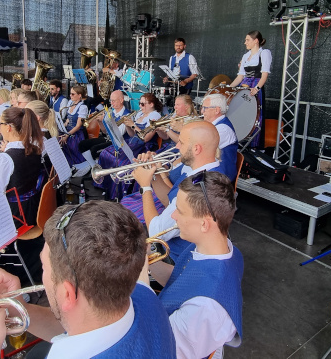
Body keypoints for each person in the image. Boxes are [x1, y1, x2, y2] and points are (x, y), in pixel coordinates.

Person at [0, 201, 177, 359]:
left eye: (44, 267)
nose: (43, 275)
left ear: (68, 293)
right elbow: (74, 323)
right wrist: (19, 308)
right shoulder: (143, 294)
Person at [143, 171, 244, 358]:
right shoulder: (221, 249)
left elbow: (159, 349)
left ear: (204, 224)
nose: (173, 216)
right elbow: (182, 281)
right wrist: (148, 260)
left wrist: (141, 283)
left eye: (180, 211)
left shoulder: (204, 309)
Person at [132, 122, 224, 260]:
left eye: (181, 142)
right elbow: (168, 200)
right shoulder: (202, 170)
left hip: (177, 257)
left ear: (196, 148)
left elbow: (156, 232)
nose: (177, 146)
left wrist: (145, 187)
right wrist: (153, 173)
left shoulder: (199, 186)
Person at [0, 107, 45, 219]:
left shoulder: (4, 158)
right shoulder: (35, 148)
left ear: (8, 127)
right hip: (33, 208)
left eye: (0, 124)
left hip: (15, 214)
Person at [96, 93, 162, 200]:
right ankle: (109, 188)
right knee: (106, 153)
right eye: (139, 103)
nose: (140, 106)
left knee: (121, 162)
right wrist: (127, 125)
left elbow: (146, 138)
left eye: (142, 104)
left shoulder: (155, 116)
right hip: (133, 142)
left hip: (144, 146)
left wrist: (133, 125)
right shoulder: (140, 114)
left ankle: (121, 193)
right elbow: (132, 134)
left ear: (151, 104)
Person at [228, 30, 271, 148]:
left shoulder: (264, 53)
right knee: (240, 113)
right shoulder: (245, 56)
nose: (245, 42)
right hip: (244, 86)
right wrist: (229, 88)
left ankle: (254, 146)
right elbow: (240, 76)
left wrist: (256, 88)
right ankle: (239, 141)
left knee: (255, 115)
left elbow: (264, 75)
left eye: (247, 40)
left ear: (256, 41)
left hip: (255, 86)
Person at [77, 90, 129, 173]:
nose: (111, 103)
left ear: (121, 100)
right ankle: (94, 167)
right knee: (82, 144)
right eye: (110, 101)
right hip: (108, 139)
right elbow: (105, 132)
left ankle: (97, 169)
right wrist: (100, 122)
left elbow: (118, 134)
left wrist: (105, 121)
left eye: (113, 101)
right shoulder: (111, 112)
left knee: (94, 150)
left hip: (118, 142)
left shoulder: (126, 114)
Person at [200, 93, 239, 179]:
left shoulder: (222, 129)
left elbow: (199, 148)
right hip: (212, 172)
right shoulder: (215, 126)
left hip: (220, 177)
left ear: (217, 110)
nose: (202, 111)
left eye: (205, 108)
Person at [58, 86, 89, 167]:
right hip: (68, 131)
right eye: (70, 94)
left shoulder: (83, 107)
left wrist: (67, 135)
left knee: (65, 143)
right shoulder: (70, 103)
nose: (70, 96)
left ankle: (75, 165)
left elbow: (78, 126)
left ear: (79, 95)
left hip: (76, 134)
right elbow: (68, 120)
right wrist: (62, 127)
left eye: (73, 94)